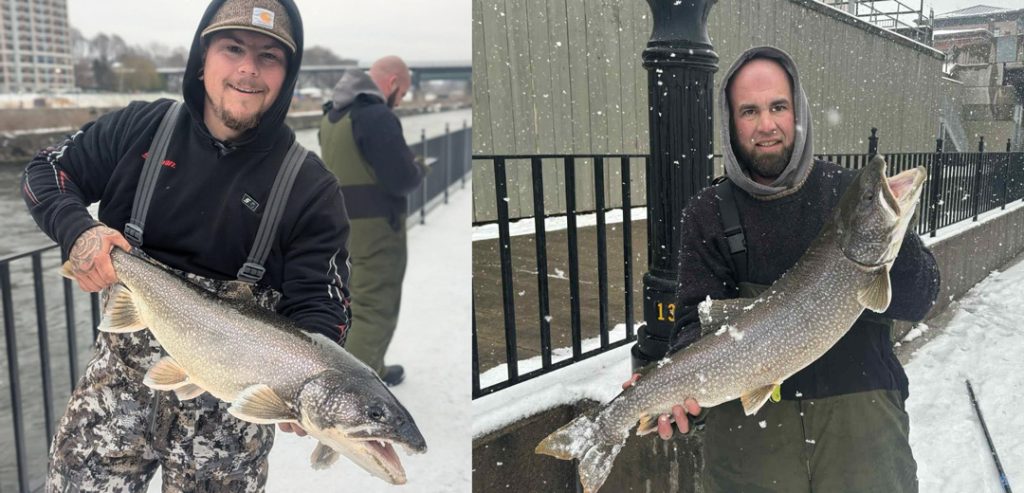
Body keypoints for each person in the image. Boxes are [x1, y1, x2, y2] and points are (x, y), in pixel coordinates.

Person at [21, 0, 351, 490]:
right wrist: (78, 230)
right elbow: (44, 172)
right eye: (233, 48)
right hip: (115, 388)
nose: (247, 69)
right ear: (203, 60)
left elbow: (320, 305)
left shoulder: (310, 187)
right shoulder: (141, 127)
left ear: (288, 75)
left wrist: (307, 388)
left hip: (231, 413)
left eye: (269, 57)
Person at [628, 46, 940, 492]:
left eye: (778, 107)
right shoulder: (708, 213)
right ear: (731, 123)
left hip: (862, 435)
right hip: (749, 453)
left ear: (798, 112)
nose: (766, 125)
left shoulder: (847, 191)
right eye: (749, 111)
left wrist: (885, 243)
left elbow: (922, 296)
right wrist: (681, 398)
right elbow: (694, 325)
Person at [318, 56, 426, 386]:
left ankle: (371, 368)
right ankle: (352, 390)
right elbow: (401, 179)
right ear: (393, 82)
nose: (401, 99)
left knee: (351, 301)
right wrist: (418, 167)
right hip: (378, 229)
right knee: (376, 307)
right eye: (403, 92)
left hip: (343, 226)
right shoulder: (377, 116)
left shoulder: (332, 117)